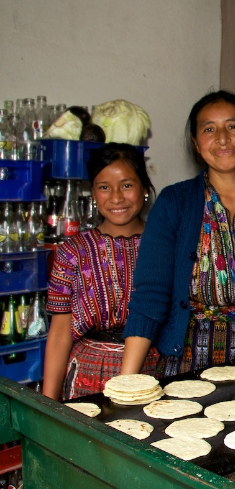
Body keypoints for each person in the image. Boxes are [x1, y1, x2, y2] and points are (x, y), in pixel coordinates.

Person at [120, 91, 235, 376]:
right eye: (209, 129)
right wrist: (126, 382)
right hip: (189, 354)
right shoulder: (175, 203)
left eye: (232, 126)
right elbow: (151, 294)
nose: (222, 138)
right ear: (196, 144)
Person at [43, 143, 159, 400]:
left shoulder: (165, 246)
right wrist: (47, 404)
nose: (116, 197)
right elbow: (61, 332)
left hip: (153, 374)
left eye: (127, 185)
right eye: (104, 187)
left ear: (145, 189)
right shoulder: (72, 252)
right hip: (88, 375)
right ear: (93, 193)